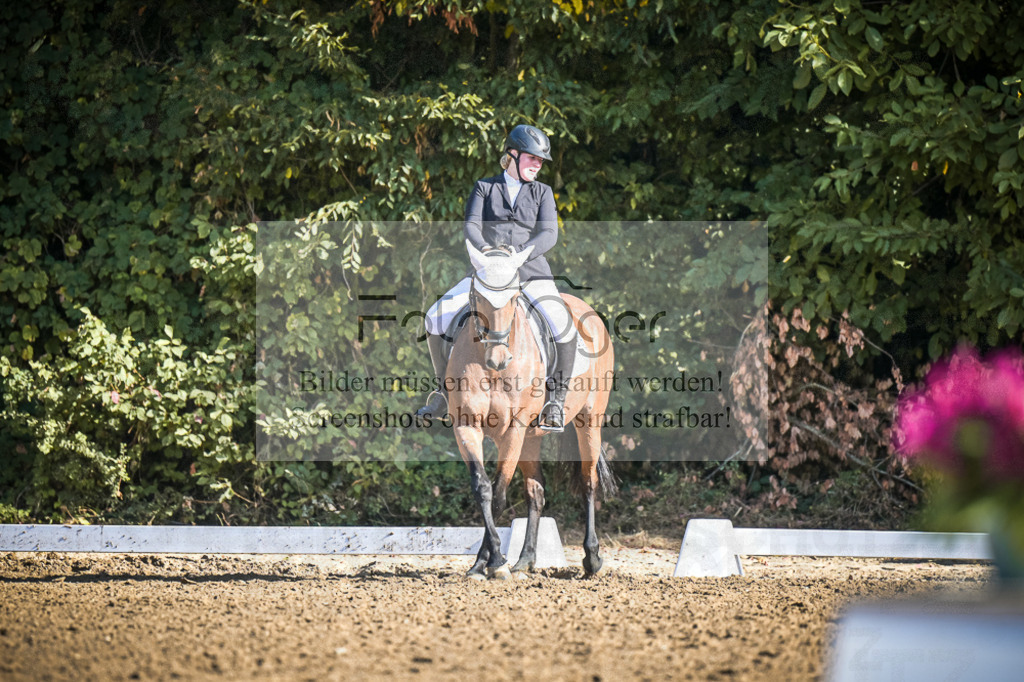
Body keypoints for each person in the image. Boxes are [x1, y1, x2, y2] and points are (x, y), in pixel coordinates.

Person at [417, 124, 578, 432]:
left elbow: (549, 234)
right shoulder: (484, 188)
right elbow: (471, 227)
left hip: (530, 273)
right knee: (434, 317)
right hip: (487, 275)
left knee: (563, 323)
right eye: (532, 158)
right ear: (512, 155)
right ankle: (442, 391)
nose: (537, 165)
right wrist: (488, 253)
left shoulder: (542, 192)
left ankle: (556, 401)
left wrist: (521, 253)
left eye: (540, 161)